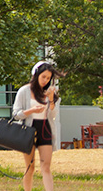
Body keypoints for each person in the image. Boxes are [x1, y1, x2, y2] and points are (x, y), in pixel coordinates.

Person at [13, 61, 63, 191]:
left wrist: (51, 99)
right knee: (30, 167)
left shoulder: (50, 92)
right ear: (36, 75)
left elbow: (53, 115)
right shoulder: (24, 91)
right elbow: (16, 114)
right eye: (43, 77)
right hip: (28, 129)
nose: (45, 81)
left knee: (46, 166)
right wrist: (31, 111)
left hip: (45, 129)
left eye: (48, 78)